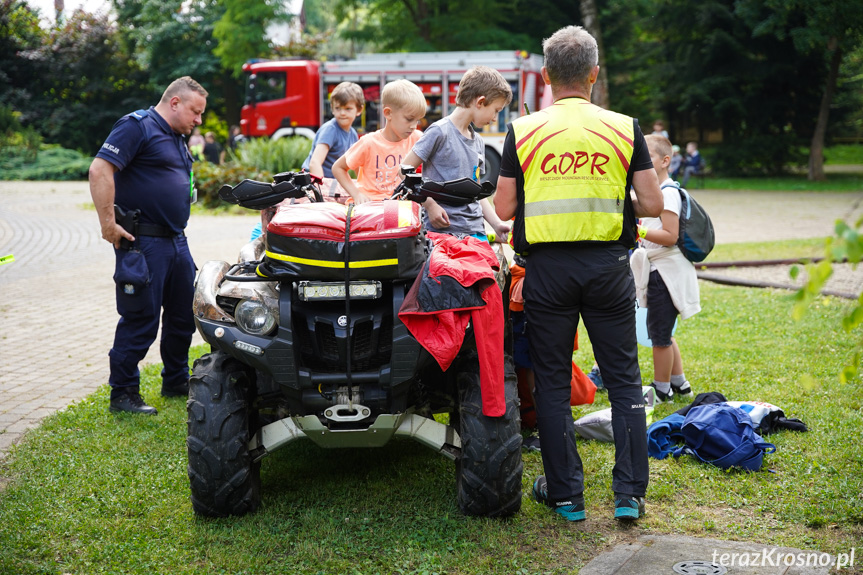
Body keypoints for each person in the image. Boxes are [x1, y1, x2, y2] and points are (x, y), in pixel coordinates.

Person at [494, 25, 663, 522]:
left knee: (549, 383)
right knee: (625, 381)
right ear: (593, 74)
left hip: (546, 271)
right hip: (609, 267)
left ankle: (567, 496)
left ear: (546, 76)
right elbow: (652, 202)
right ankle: (629, 496)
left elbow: (503, 208)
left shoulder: (523, 129)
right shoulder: (624, 127)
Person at [88, 76, 207, 415]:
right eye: (195, 112)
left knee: (184, 315)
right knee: (141, 318)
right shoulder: (136, 126)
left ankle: (175, 380)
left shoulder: (175, 136)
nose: (198, 120)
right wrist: (107, 223)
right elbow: (100, 170)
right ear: (174, 103)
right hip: (144, 242)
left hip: (175, 241)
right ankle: (123, 394)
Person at [401, 65, 511, 241]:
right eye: (496, 110)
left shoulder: (479, 142)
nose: (495, 118)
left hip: (475, 232)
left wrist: (497, 224)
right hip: (441, 233)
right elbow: (404, 170)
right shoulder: (439, 132)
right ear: (480, 102)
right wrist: (429, 205)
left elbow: (476, 193)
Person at [633, 135, 701, 402]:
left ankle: (661, 390)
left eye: (647, 156)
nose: (642, 161)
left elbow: (670, 236)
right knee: (664, 330)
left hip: (665, 271)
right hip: (660, 269)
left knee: (659, 336)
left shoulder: (668, 193)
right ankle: (679, 383)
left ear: (665, 161)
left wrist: (636, 229)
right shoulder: (658, 191)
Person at [332, 79, 426, 203]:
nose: (414, 126)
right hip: (371, 209)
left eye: (417, 120)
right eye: (409, 119)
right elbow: (338, 167)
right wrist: (356, 194)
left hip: (402, 208)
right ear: (388, 113)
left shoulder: (418, 138)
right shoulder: (368, 142)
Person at [301, 82, 364, 178]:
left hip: (332, 182)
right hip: (314, 180)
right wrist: (320, 188)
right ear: (332, 108)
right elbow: (315, 162)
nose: (342, 113)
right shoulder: (330, 129)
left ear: (359, 110)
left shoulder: (353, 134)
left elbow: (357, 165)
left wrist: (364, 185)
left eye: (348, 109)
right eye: (338, 108)